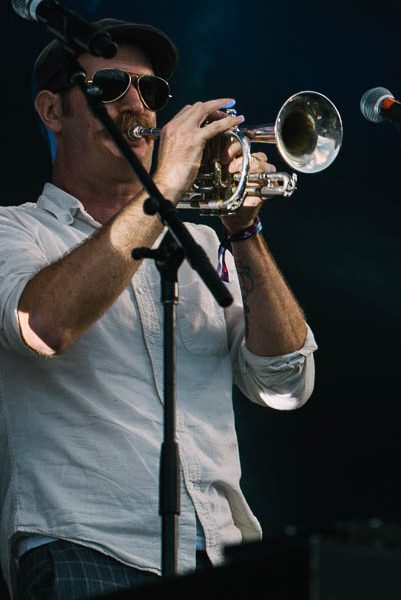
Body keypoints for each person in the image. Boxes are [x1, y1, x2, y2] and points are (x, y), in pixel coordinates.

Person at [0, 19, 317, 598]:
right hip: (85, 545)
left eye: (151, 91)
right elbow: (43, 325)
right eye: (111, 86)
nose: (137, 105)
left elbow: (285, 384)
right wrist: (165, 186)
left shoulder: (201, 245)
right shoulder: (13, 232)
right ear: (52, 110)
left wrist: (245, 233)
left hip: (219, 553)